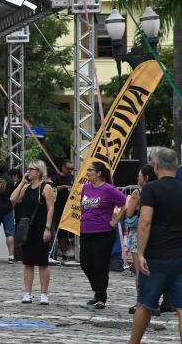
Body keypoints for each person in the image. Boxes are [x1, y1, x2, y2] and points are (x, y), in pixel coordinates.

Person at [129, 147, 182, 343]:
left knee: (145, 304)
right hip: (180, 255)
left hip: (156, 256)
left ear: (156, 166)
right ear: (176, 167)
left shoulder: (151, 189)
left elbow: (144, 222)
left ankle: (133, 342)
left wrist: (140, 253)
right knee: (181, 307)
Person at [78, 160, 126, 309]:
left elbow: (126, 203)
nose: (88, 173)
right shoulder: (86, 188)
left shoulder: (109, 189)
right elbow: (83, 206)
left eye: (90, 171)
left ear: (99, 173)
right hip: (86, 230)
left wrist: (116, 220)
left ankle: (101, 296)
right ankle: (97, 290)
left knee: (100, 265)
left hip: (103, 233)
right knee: (85, 263)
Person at [11, 160, 56, 305]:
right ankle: (27, 293)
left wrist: (48, 228)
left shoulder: (46, 187)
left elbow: (50, 208)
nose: (28, 171)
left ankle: (44, 294)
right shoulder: (26, 188)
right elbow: (13, 199)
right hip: (27, 229)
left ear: (39, 172)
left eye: (31, 169)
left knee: (42, 262)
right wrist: (22, 182)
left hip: (41, 228)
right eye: (28, 169)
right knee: (28, 262)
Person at [114, 165, 157, 315]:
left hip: (137, 234)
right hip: (155, 233)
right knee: (153, 270)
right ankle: (154, 303)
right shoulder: (158, 191)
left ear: (146, 178)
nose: (137, 178)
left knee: (140, 270)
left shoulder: (138, 193)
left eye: (139, 175)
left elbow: (130, 213)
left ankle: (141, 302)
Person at [51, 159, 75, 260]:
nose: (70, 171)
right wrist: (64, 187)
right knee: (62, 232)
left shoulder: (72, 177)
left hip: (72, 209)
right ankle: (64, 252)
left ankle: (73, 251)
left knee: (72, 232)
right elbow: (53, 188)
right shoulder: (56, 177)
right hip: (59, 209)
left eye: (72, 169)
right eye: (68, 169)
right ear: (63, 167)